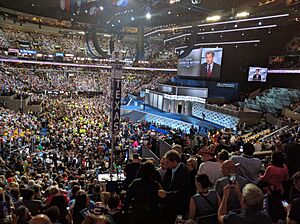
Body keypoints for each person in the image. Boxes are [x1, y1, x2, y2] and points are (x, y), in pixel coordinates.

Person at [160, 150, 191, 224]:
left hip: (178, 207)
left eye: (168, 162)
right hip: (169, 205)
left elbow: (183, 192)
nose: (166, 164)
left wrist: (167, 194)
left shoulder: (183, 172)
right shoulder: (171, 169)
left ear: (174, 161)